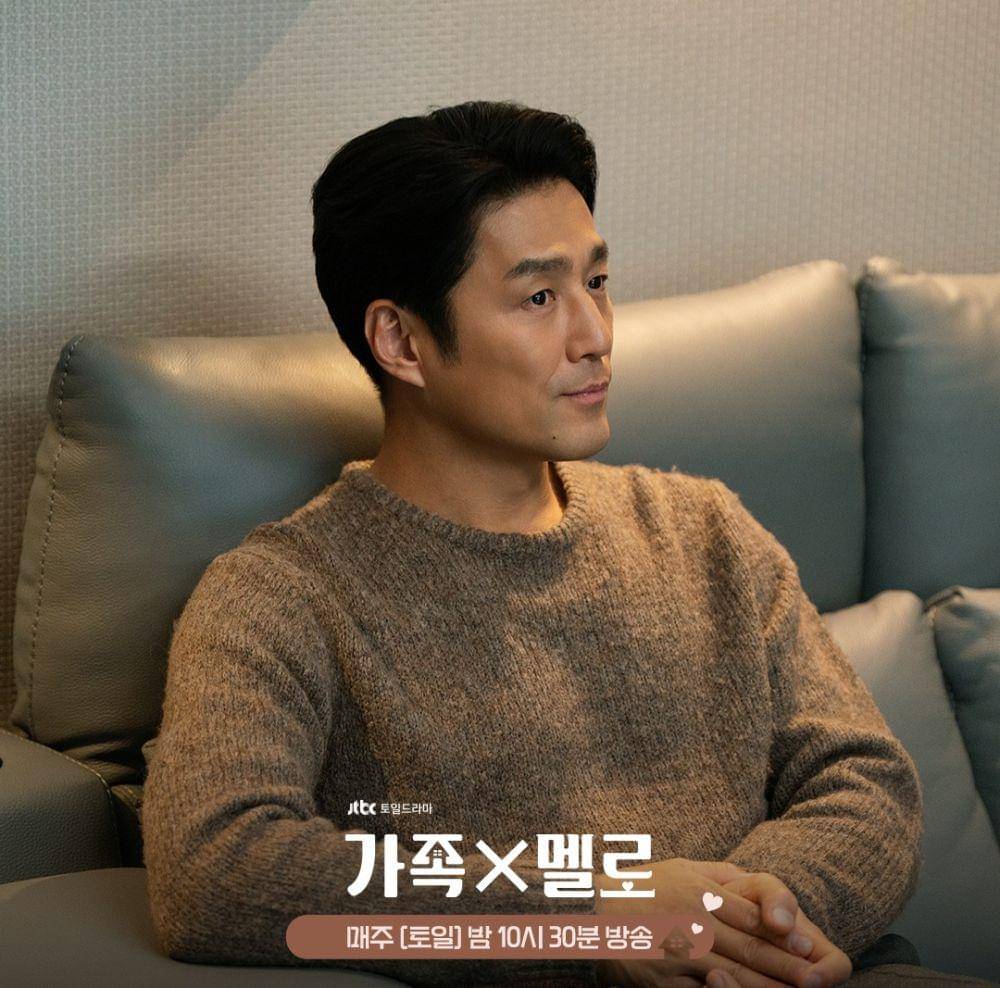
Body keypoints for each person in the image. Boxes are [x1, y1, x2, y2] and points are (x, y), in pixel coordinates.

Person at [141, 100, 997, 988]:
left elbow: (865, 782)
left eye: (597, 281)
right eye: (540, 297)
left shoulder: (705, 529)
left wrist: (728, 926)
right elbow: (218, 870)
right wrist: (590, 916)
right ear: (401, 341)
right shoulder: (281, 594)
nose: (595, 337)